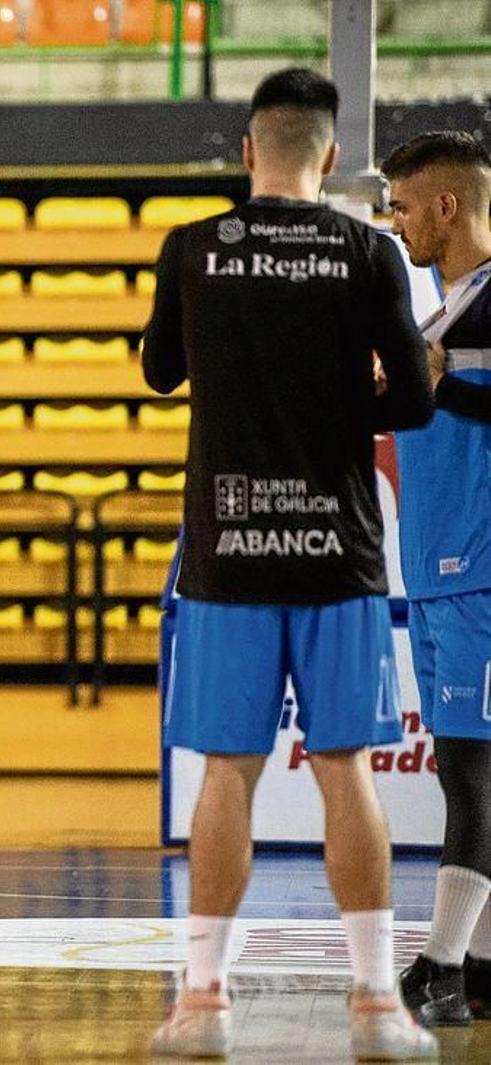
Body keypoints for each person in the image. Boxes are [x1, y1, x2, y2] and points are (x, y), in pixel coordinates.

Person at [142, 69, 437, 1059]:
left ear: (246, 154)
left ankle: (203, 1002)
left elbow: (156, 371)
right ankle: (372, 1005)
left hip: (226, 549)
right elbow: (413, 404)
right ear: (329, 156)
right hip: (338, 549)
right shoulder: (367, 248)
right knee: (346, 771)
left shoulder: (192, 249)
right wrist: (342, 400)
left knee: (224, 775)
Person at [383, 131, 491, 1026]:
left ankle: (444, 967)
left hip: (480, 574)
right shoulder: (443, 314)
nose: (395, 220)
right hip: (439, 574)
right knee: (468, 772)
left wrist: (441, 381)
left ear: (446, 207)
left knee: (469, 772)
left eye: (404, 204)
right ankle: (479, 970)